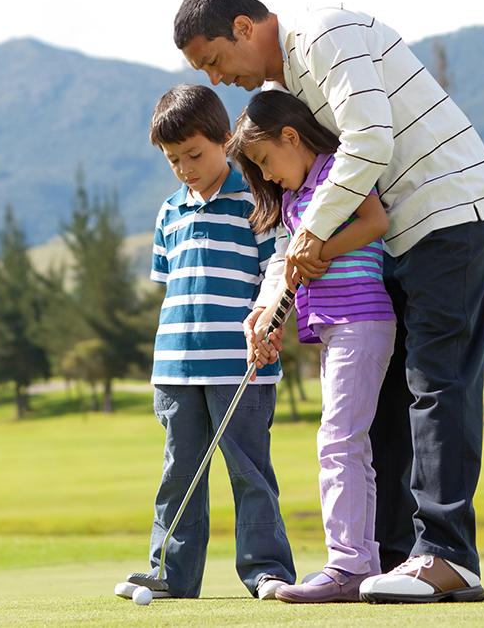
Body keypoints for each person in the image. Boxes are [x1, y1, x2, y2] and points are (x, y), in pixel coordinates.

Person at [173, 0, 484, 603]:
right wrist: (270, 302)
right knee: (385, 400)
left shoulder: (324, 34)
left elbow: (370, 142)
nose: (219, 80)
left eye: (214, 61)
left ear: (244, 28)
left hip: (450, 210)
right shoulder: (293, 92)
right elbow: (305, 216)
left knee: (438, 380)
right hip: (403, 235)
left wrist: (312, 235)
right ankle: (387, 557)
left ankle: (448, 556)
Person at [230, 89, 396, 603]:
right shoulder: (295, 201)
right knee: (349, 444)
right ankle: (361, 563)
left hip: (362, 319)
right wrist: (265, 316)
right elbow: (286, 265)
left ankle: (346, 565)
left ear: (290, 136)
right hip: (332, 327)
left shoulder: (334, 175)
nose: (269, 176)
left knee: (338, 442)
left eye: (265, 162)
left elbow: (374, 222)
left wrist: (320, 247)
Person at [133, 83, 296, 600]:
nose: (185, 168)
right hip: (177, 369)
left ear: (226, 141)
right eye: (174, 159)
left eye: (195, 154)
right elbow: (171, 288)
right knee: (179, 474)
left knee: (250, 473)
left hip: (242, 367)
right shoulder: (168, 213)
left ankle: (266, 571)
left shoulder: (257, 199)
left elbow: (280, 268)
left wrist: (269, 323)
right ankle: (171, 577)